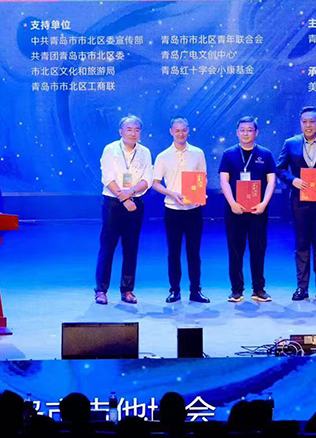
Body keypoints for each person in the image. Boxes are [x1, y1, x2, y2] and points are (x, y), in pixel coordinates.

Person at [275, 106, 316, 301]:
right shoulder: (290, 143)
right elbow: (279, 168)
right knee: (301, 244)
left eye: (312, 121)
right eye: (304, 121)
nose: (308, 125)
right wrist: (293, 180)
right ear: (300, 123)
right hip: (299, 201)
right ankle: (301, 288)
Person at [96, 115, 153, 305]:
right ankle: (101, 290)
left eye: (137, 130)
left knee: (131, 247)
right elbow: (107, 178)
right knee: (108, 246)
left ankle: (127, 290)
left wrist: (131, 193)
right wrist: (124, 198)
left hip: (136, 203)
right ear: (121, 132)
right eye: (129, 129)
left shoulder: (145, 152)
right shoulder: (110, 149)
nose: (133, 133)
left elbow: (147, 179)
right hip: (113, 203)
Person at [151, 117, 209, 303]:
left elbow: (202, 178)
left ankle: (195, 291)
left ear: (188, 131)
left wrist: (201, 193)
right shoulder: (163, 156)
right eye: (177, 131)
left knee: (194, 252)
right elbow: (155, 183)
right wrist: (172, 194)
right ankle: (174, 290)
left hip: (194, 210)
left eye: (184, 130)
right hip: (173, 210)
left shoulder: (198, 153)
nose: (181, 134)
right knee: (174, 252)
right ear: (171, 132)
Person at [219, 116, 277, 303]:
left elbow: (271, 181)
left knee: (258, 250)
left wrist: (264, 203)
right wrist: (232, 203)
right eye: (242, 130)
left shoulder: (265, 154)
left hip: (258, 211)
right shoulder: (229, 154)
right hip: (235, 211)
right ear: (237, 133)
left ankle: (259, 289)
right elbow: (224, 181)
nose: (246, 133)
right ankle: (236, 290)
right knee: (235, 251)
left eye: (249, 130)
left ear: (256, 132)